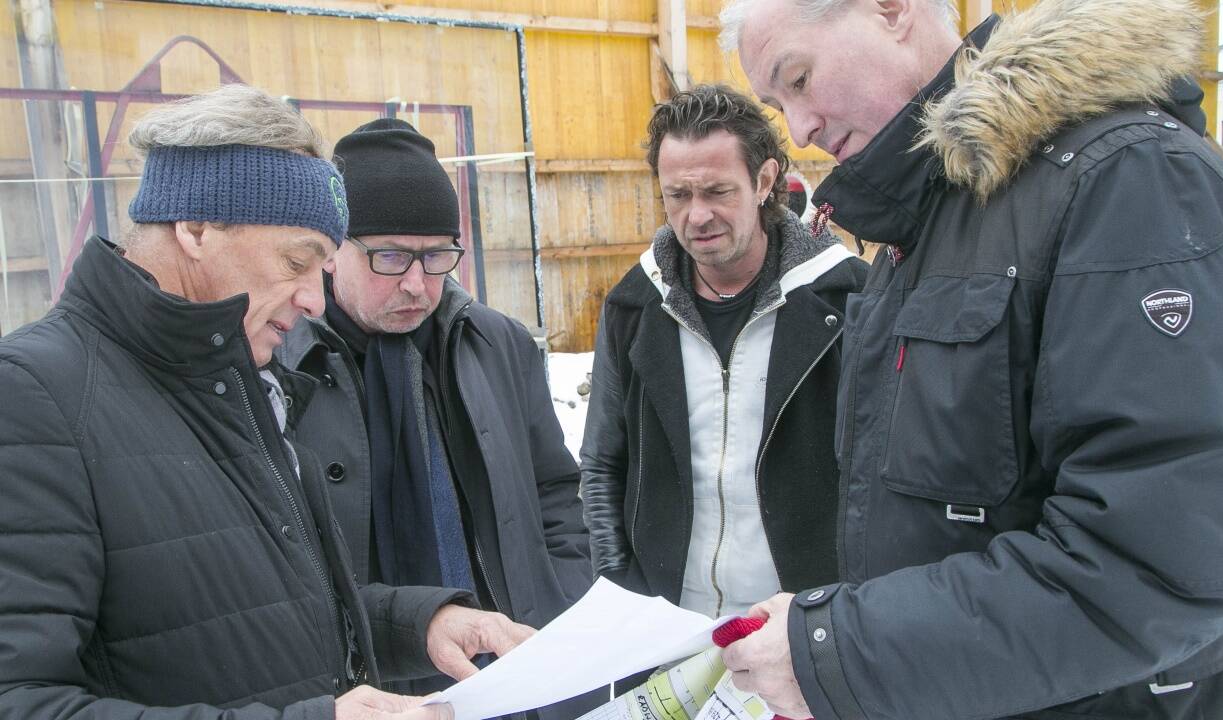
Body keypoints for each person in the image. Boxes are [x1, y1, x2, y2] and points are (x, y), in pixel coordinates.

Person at [714, 0, 1223, 717]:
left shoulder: (1128, 179)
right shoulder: (927, 228)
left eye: (798, 79)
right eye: (776, 105)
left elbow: (1158, 561)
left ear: (891, 10)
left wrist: (843, 650)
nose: (800, 129)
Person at [0, 84, 532, 720]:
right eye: (295, 261)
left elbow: (258, 613)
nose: (314, 299)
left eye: (322, 268)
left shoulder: (241, 380)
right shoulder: (32, 395)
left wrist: (417, 626)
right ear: (196, 227)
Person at [277, 118, 599, 719]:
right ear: (331, 252)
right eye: (391, 256)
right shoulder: (278, 367)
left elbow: (554, 490)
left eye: (436, 256)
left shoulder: (497, 344)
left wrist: (560, 597)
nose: (417, 284)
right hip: (372, 690)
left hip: (514, 663)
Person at [580, 84, 867, 626]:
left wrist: (841, 614)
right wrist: (620, 587)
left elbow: (874, 477)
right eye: (677, 195)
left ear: (764, 181)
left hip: (803, 623)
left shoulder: (845, 299)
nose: (697, 216)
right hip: (669, 625)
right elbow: (602, 463)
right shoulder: (635, 305)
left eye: (717, 191)